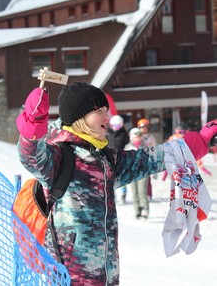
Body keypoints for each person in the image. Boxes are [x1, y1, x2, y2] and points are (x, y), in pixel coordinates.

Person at [16, 81, 217, 285]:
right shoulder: (58, 157)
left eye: (107, 111)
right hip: (69, 278)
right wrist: (33, 123)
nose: (107, 117)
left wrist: (199, 141)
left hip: (107, 276)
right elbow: (30, 155)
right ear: (79, 117)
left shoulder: (105, 159)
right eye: (99, 111)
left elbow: (148, 159)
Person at [124, 128, 149, 219]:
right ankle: (137, 210)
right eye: (135, 137)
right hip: (132, 173)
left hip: (142, 172)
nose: (137, 138)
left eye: (139, 136)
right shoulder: (128, 147)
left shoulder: (145, 147)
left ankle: (144, 209)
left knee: (142, 191)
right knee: (134, 192)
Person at [106, 115, 129, 204]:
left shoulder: (123, 134)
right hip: (110, 158)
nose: (116, 128)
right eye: (114, 126)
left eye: (118, 126)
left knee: (122, 177)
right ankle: (112, 195)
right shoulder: (108, 133)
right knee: (110, 178)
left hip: (120, 157)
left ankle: (123, 194)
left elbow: (127, 143)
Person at [137, 118, 157, 200]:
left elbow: (154, 148)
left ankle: (148, 194)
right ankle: (140, 194)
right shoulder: (137, 136)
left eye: (145, 127)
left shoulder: (151, 137)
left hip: (148, 159)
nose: (143, 129)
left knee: (147, 178)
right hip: (138, 158)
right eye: (141, 127)